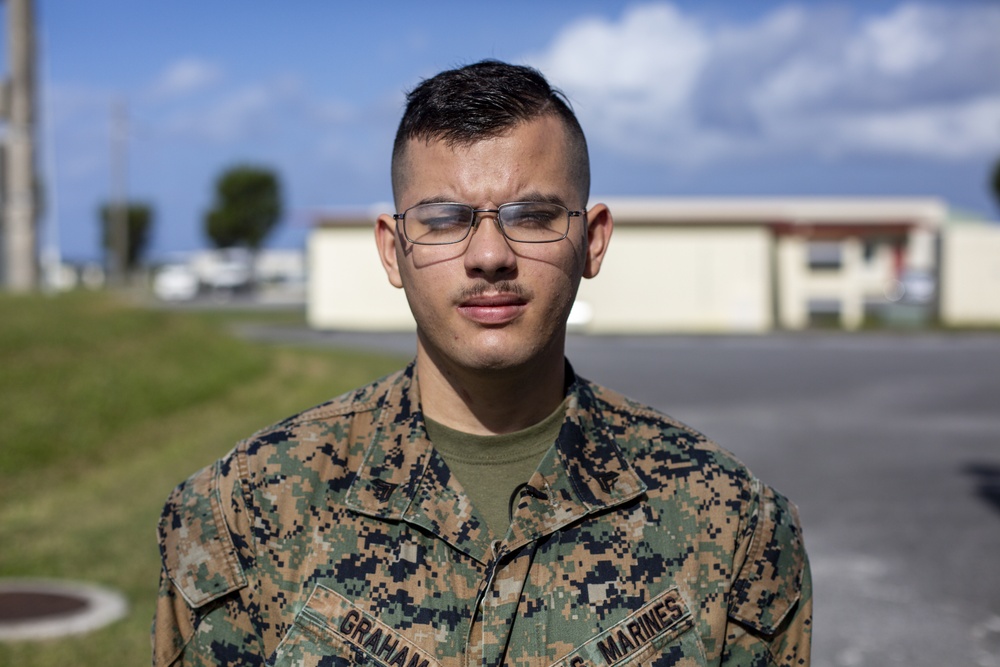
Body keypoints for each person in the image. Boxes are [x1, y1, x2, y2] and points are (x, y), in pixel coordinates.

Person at [153, 60, 811, 667]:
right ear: (393, 249)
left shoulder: (732, 524)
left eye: (533, 215)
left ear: (593, 239)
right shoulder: (240, 514)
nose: (490, 255)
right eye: (445, 219)